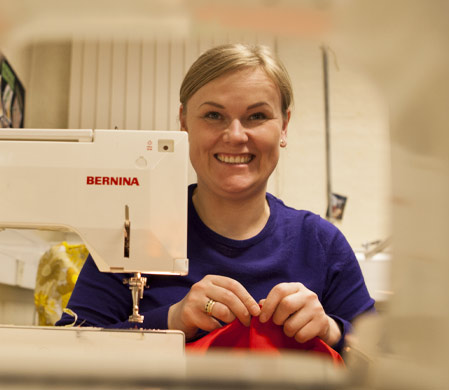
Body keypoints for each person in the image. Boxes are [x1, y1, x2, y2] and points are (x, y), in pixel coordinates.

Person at [57, 43, 374, 352]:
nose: (235, 135)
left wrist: (331, 331)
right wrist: (171, 320)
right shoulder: (132, 233)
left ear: (285, 127)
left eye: (256, 116)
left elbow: (386, 360)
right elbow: (66, 353)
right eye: (213, 116)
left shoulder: (322, 244)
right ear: (183, 123)